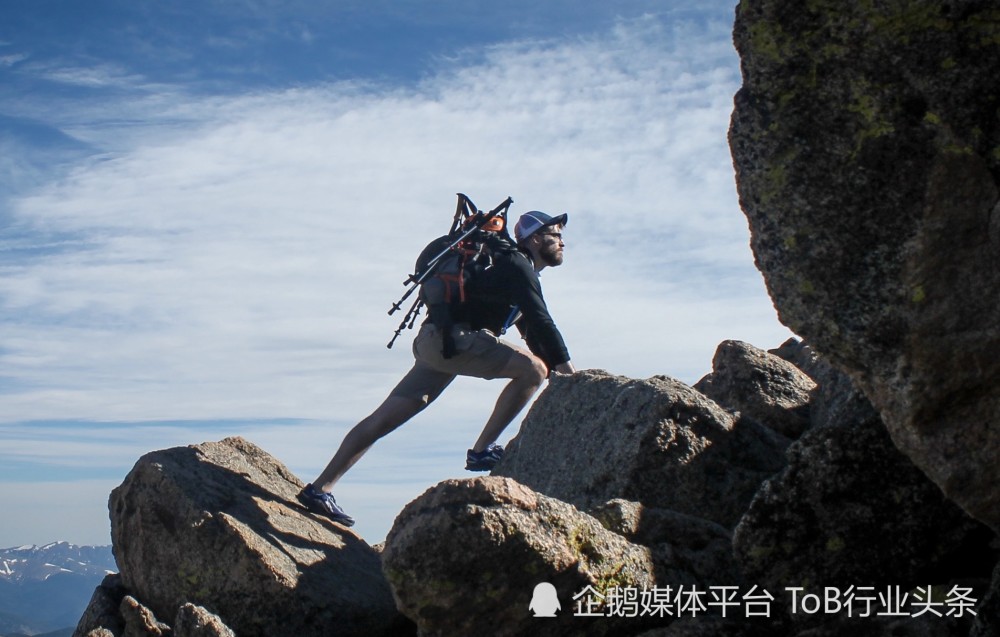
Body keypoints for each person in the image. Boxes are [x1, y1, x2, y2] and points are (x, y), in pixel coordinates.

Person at [298, 210, 576, 526]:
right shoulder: (517, 265)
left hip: (436, 342)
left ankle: (320, 488)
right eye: (556, 235)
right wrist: (571, 376)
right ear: (536, 239)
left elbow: (534, 331)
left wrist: (563, 372)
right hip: (452, 340)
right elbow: (542, 322)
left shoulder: (512, 268)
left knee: (383, 419)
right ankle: (482, 450)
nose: (563, 242)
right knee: (533, 371)